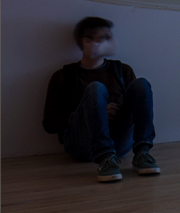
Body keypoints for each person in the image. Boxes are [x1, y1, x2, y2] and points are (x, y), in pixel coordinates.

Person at [43, 17, 160, 182]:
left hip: (118, 144)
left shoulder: (122, 71)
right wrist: (93, 112)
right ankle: (105, 159)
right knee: (96, 88)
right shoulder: (64, 76)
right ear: (87, 41)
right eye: (105, 37)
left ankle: (142, 154)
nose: (112, 41)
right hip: (82, 147)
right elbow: (49, 123)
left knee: (141, 84)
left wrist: (118, 113)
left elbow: (135, 110)